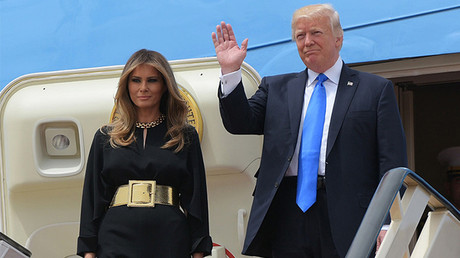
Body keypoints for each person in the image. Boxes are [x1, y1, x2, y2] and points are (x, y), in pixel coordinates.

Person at [212, 4, 407, 258]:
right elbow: (239, 123)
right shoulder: (276, 87)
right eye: (300, 36)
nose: (307, 42)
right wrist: (230, 71)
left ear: (338, 38)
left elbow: (391, 163)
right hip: (286, 213)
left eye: (316, 32)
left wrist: (387, 221)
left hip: (349, 215)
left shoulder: (375, 90)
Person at [77, 49, 212, 258]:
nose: (143, 88)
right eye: (136, 80)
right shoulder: (106, 137)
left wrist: (199, 251)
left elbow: (197, 201)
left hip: (169, 239)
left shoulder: (185, 136)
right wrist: (88, 252)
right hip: (115, 240)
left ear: (165, 85)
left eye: (152, 80)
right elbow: (92, 202)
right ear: (126, 85)